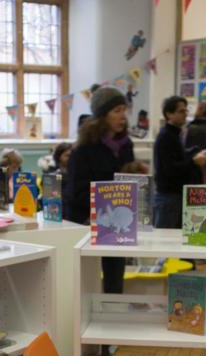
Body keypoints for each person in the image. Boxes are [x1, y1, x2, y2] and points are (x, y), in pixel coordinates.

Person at [65, 85, 146, 293]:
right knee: (84, 282)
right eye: (116, 111)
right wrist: (105, 200)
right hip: (84, 221)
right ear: (102, 115)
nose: (123, 116)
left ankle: (115, 313)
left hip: (117, 223)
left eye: (124, 110)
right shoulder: (83, 149)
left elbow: (126, 182)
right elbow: (75, 192)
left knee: (115, 279)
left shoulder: (126, 145)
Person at [153, 95, 206, 229]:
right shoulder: (166, 136)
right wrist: (194, 162)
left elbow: (177, 159)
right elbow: (170, 169)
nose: (185, 114)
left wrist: (191, 153)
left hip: (174, 196)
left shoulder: (174, 135)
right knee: (166, 241)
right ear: (169, 114)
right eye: (181, 111)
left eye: (186, 111)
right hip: (169, 198)